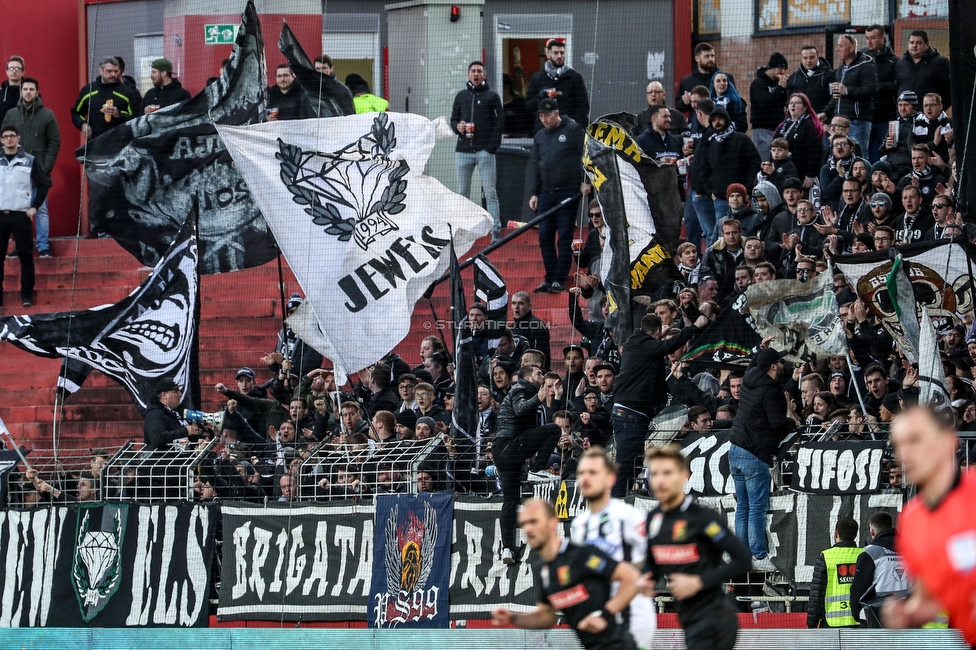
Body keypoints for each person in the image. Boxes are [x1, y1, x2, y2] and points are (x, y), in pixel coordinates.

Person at [639, 445, 752, 650]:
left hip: (715, 618)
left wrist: (698, 582)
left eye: (667, 473)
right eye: (654, 473)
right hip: (688, 618)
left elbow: (743, 560)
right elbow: (652, 564)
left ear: (684, 476)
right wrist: (645, 581)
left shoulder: (703, 518)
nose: (660, 480)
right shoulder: (652, 520)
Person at [492, 499, 640, 650]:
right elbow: (546, 617)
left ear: (553, 523)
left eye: (534, 521)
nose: (528, 529)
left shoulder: (581, 554)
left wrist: (604, 615)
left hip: (619, 644)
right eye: (524, 524)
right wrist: (513, 617)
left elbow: (631, 577)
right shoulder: (543, 570)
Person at [882, 407, 976, 644]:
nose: (906, 453)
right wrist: (907, 614)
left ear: (948, 442)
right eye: (899, 444)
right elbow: (928, 601)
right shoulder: (912, 520)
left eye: (916, 440)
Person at [610, 313, 708, 498]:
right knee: (625, 462)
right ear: (657, 332)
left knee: (629, 460)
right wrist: (695, 326)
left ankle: (622, 497)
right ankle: (616, 502)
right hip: (631, 415)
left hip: (629, 413)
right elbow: (668, 346)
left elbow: (658, 344)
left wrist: (660, 334)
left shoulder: (636, 342)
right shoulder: (645, 345)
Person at [571, 447, 656, 649]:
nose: (586, 478)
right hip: (598, 615)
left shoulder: (627, 515)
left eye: (593, 472)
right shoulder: (579, 525)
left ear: (609, 479)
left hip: (632, 614)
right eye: (582, 472)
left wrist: (641, 575)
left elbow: (652, 552)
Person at [728, 347, 796, 569]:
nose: (784, 364)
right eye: (781, 361)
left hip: (735, 450)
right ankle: (758, 555)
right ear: (774, 366)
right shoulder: (771, 390)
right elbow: (777, 423)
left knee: (743, 506)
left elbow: (756, 360)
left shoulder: (749, 377)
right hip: (754, 454)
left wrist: (761, 346)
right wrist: (793, 424)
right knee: (756, 507)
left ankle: (741, 554)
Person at [493, 365, 564, 564]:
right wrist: (538, 398)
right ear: (527, 377)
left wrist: (555, 400)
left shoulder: (532, 395)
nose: (542, 376)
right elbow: (520, 409)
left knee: (510, 500)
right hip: (509, 445)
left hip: (506, 452)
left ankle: (507, 548)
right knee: (554, 430)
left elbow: (543, 428)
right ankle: (536, 469)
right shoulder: (520, 388)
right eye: (539, 373)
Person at [527, 98, 588, 293]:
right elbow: (536, 165)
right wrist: (534, 192)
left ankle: (559, 279)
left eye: (547, 116)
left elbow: (586, 155)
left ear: (556, 113)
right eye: (541, 116)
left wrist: (585, 181)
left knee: (564, 236)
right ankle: (549, 276)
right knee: (544, 235)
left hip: (569, 191)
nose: (544, 120)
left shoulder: (573, 129)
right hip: (547, 192)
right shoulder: (539, 137)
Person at [1, 77, 59, 258]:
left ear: (36, 92)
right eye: (25, 89)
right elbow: (3, 137)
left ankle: (43, 247)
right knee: (16, 212)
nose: (27, 92)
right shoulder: (11, 114)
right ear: (21, 91)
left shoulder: (47, 115)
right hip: (16, 172)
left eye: (31, 89)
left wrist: (46, 167)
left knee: (40, 209)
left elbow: (54, 142)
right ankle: (19, 247)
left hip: (38, 170)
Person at [690, 107, 762, 246]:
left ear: (727, 120)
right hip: (720, 200)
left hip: (743, 200)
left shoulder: (742, 139)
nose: (717, 122)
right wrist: (711, 192)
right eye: (714, 120)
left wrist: (747, 189)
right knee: (724, 238)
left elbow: (755, 164)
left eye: (720, 119)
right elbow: (703, 169)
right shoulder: (710, 143)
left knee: (745, 236)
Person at [451, 61, 504, 241]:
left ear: (484, 75)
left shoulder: (492, 97)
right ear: (468, 75)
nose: (476, 74)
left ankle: (495, 229)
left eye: (479, 71)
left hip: (484, 152)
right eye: (473, 71)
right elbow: (453, 121)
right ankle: (462, 229)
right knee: (463, 192)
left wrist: (491, 148)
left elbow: (500, 123)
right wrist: (457, 127)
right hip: (463, 151)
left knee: (490, 191)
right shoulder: (461, 96)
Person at [0, 124, 49, 307]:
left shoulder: (29, 160)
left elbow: (43, 185)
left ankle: (27, 294)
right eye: (6, 136)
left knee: (26, 257)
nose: (9, 139)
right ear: (1, 140)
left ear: (18, 138)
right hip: (0, 216)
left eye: (12, 136)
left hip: (21, 216)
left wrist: (34, 207)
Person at [849, 511, 910, 627]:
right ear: (892, 527)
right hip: (904, 616)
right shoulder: (910, 551)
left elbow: (859, 588)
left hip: (873, 617)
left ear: (872, 531)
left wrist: (856, 613)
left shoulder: (869, 553)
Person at [825, 35, 878, 155]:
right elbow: (837, 96)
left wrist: (848, 90)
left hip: (858, 122)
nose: (837, 49)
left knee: (859, 156)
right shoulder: (841, 68)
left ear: (852, 47)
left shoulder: (866, 64)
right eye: (837, 46)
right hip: (839, 123)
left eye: (841, 46)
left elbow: (872, 89)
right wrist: (825, 112)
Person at [807, 517, 863, 628]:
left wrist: (812, 623)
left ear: (836, 533)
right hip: (860, 621)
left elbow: (816, 593)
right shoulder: (864, 555)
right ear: (855, 535)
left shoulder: (826, 556)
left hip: (832, 622)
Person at [524, 39, 589, 133]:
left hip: (568, 130)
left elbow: (583, 106)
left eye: (562, 53)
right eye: (555, 53)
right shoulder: (538, 78)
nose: (559, 56)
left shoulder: (574, 77)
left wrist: (574, 125)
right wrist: (541, 96)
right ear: (548, 55)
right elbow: (528, 106)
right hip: (544, 131)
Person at [71, 56, 140, 141]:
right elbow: (76, 113)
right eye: (109, 71)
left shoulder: (126, 92)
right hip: (95, 143)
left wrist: (118, 114)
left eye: (116, 71)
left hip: (120, 144)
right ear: (100, 70)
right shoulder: (88, 90)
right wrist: (83, 125)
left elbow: (136, 118)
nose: (113, 74)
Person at [862, 25, 900, 162]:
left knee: (887, 153)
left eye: (873, 38)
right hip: (865, 117)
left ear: (883, 38)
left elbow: (898, 85)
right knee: (865, 154)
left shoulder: (894, 61)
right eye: (867, 38)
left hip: (886, 117)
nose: (869, 42)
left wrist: (876, 87)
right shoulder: (861, 59)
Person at [773, 93, 824, 185]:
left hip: (801, 171)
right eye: (791, 103)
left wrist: (810, 175)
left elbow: (815, 151)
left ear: (805, 108)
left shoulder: (810, 125)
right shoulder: (782, 126)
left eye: (797, 103)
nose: (793, 105)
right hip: (782, 171)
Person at [895, 30, 951, 111]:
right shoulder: (900, 63)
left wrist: (938, 110)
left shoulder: (940, 62)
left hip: (930, 117)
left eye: (919, 43)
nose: (914, 46)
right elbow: (897, 88)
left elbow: (950, 90)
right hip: (906, 116)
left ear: (927, 44)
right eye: (911, 42)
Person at [143, 377, 200, 452]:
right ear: (164, 395)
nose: (180, 394)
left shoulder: (178, 412)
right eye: (175, 391)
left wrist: (199, 437)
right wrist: (185, 431)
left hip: (182, 460)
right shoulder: (154, 413)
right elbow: (157, 438)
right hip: (161, 461)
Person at [749, 52, 789, 156]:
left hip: (778, 127)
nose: (783, 72)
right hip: (762, 128)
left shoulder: (779, 83)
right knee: (765, 159)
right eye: (781, 69)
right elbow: (764, 102)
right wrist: (780, 89)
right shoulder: (758, 83)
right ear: (773, 67)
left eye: (785, 69)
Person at [676, 44, 730, 114]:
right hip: (695, 122)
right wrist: (684, 102)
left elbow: (735, 101)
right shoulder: (687, 81)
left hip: (719, 120)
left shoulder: (724, 78)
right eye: (707, 56)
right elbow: (678, 108)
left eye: (712, 56)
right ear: (697, 59)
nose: (711, 59)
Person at [786, 45, 834, 115]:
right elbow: (788, 99)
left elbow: (835, 97)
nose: (808, 60)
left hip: (820, 120)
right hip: (799, 120)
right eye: (805, 58)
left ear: (817, 57)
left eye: (812, 57)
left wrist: (825, 112)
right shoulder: (793, 78)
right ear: (801, 59)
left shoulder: (829, 75)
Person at [511, 291, 551, 365]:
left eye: (521, 303)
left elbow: (539, 355)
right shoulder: (511, 328)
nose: (516, 307)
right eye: (513, 303)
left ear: (530, 306)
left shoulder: (537, 326)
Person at [0, 56, 24, 124]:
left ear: (23, 72)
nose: (14, 71)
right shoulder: (1, 93)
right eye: (11, 68)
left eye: (17, 68)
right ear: (6, 71)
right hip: (3, 133)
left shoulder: (28, 92)